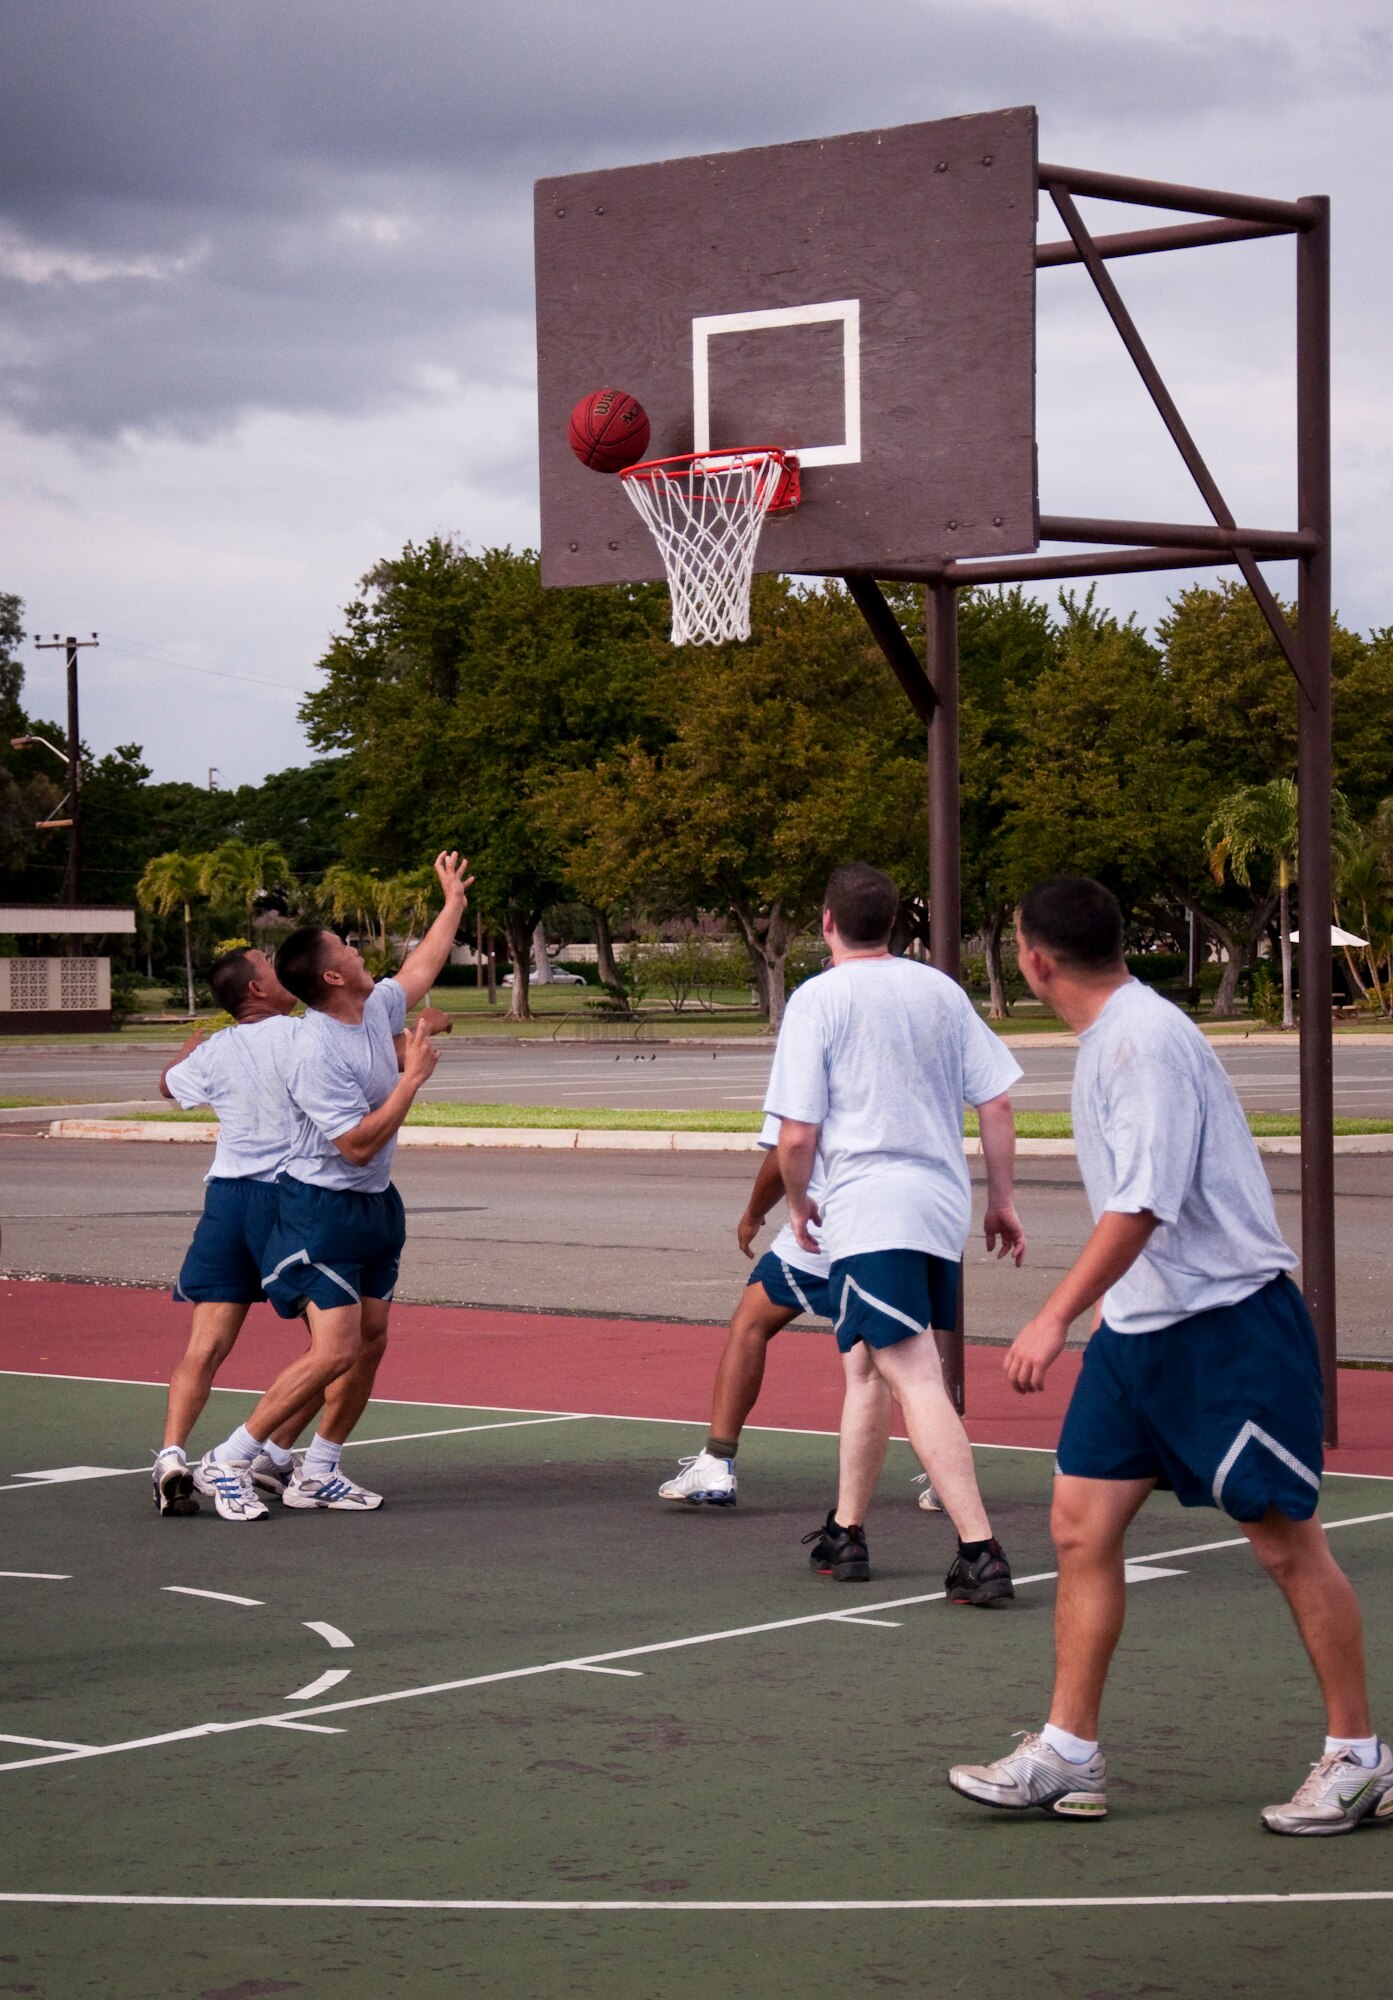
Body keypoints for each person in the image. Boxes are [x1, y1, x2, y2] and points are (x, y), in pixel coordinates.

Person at [949, 875, 1391, 1833]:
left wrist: (1054, 1314)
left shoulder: (1142, 1042)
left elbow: (1142, 1204)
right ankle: (1068, 1753)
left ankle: (1359, 1759)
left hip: (1227, 1331)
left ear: (1032, 958)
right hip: (1139, 1334)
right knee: (1077, 1526)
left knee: (1284, 1543)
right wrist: (1105, 1317)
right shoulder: (1110, 1037)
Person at [767, 862, 1026, 1599]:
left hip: (870, 1206)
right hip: (936, 1207)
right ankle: (845, 1531)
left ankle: (979, 1549)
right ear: (893, 924)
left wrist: (795, 1202)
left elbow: (793, 1136)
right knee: (864, 1363)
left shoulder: (818, 1000)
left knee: (910, 1370)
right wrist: (1000, 1200)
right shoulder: (938, 989)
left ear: (826, 922)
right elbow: (997, 1104)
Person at [195, 851, 471, 1523]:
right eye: (346, 946)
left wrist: (453, 903)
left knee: (370, 1339)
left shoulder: (372, 1007)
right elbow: (353, 1145)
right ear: (330, 974)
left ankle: (318, 1469)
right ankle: (226, 1459)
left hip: (374, 1205)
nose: (357, 948)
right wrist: (410, 1081)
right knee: (336, 1349)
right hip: (319, 1207)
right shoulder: (313, 1049)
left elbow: (419, 969)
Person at [151, 947, 304, 1517]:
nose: (279, 965)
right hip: (285, 1201)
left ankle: (170, 1456)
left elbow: (169, 1086)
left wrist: (188, 1049)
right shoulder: (299, 1036)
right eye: (268, 961)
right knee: (337, 1343)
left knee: (204, 1346)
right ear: (256, 989)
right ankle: (266, 1452)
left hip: (225, 1200)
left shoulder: (217, 1048)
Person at [658, 1118, 836, 1506]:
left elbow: (790, 1142)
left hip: (825, 1232)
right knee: (905, 1361)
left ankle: (717, 1461)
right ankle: (946, 1475)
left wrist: (753, 1213)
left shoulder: (811, 1055)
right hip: (914, 1227)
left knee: (750, 1325)